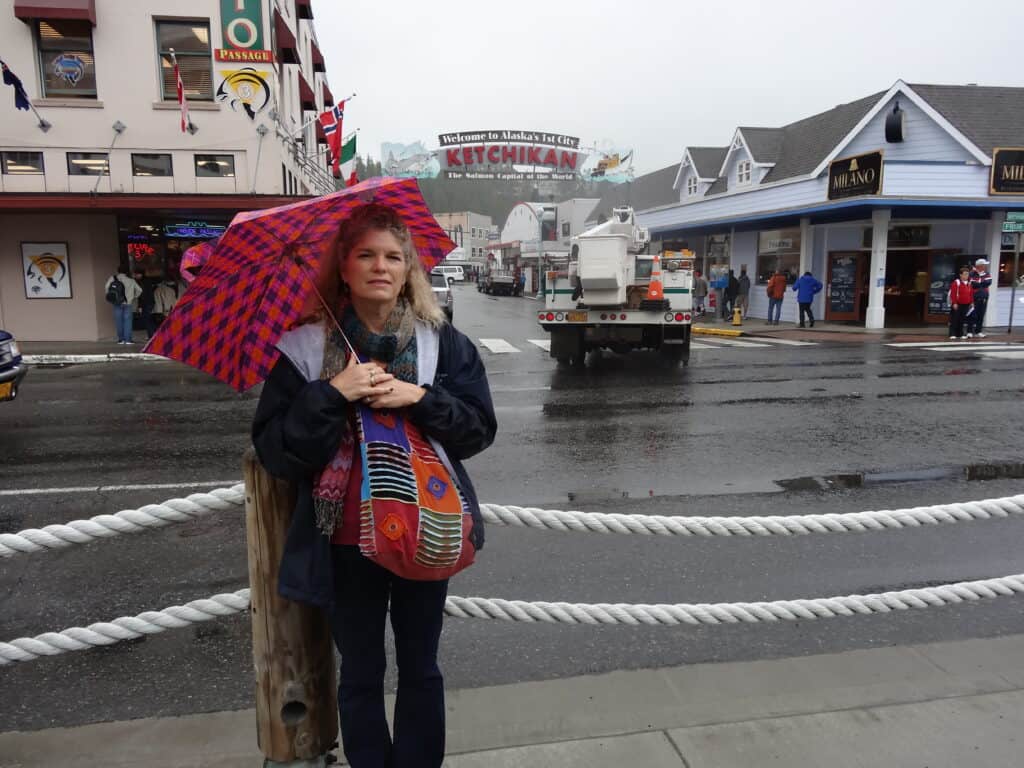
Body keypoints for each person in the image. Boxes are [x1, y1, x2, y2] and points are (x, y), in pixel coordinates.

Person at [252, 204, 497, 768]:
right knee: (360, 672)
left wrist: (420, 398)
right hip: (343, 542)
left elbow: (479, 428)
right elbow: (276, 451)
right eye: (365, 255)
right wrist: (332, 392)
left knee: (421, 667)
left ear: (409, 268)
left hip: (423, 530)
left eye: (393, 256)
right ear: (343, 266)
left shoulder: (442, 344)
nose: (380, 267)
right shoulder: (306, 349)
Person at [104, 266, 141, 344]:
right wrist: (134, 297)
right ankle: (128, 340)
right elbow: (140, 290)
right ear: (127, 272)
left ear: (118, 271)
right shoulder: (131, 280)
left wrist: (111, 296)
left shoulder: (113, 278)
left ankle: (121, 339)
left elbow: (106, 287)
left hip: (117, 303)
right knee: (128, 322)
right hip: (128, 303)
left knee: (118, 321)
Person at [968, 258, 992, 338]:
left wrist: (979, 283)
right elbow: (972, 284)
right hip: (974, 298)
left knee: (981, 315)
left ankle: (978, 331)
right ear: (979, 266)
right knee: (972, 314)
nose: (985, 266)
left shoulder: (986, 273)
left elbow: (988, 282)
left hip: (984, 297)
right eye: (984, 265)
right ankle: (969, 331)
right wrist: (981, 283)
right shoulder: (972, 273)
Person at [948, 266, 974, 341]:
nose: (966, 276)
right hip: (957, 304)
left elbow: (971, 293)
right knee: (955, 319)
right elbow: (953, 294)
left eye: (967, 274)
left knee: (962, 319)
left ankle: (960, 333)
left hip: (966, 304)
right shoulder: (956, 282)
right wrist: (955, 303)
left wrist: (972, 302)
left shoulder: (969, 283)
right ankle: (952, 333)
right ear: (960, 275)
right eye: (965, 274)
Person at [135, 271, 157, 340]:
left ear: (140, 274)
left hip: (146, 303)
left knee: (146, 319)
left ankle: (152, 335)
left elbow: (142, 295)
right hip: (150, 302)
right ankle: (152, 334)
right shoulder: (148, 281)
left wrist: (140, 306)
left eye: (136, 274)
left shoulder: (141, 282)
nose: (135, 276)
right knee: (148, 318)